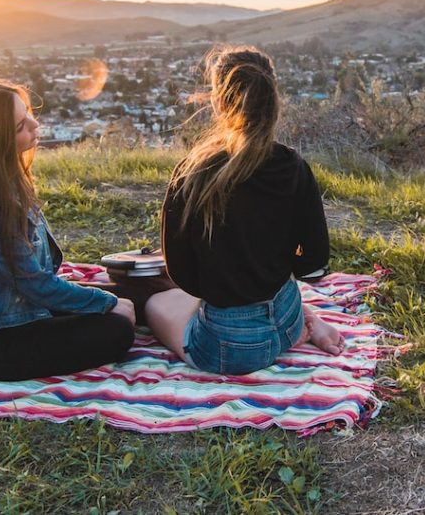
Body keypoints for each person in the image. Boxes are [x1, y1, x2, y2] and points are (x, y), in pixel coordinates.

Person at [145, 46, 344, 375]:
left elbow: (180, 272)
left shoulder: (193, 173)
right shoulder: (294, 166)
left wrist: (224, 278)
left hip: (231, 348)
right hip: (287, 316)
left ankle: (280, 333)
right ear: (271, 98)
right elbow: (314, 265)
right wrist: (270, 266)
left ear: (218, 102)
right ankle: (304, 325)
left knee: (157, 303)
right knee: (262, 299)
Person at [0, 80, 135, 381]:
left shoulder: (6, 182)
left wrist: (109, 300)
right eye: (22, 124)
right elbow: (35, 283)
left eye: (28, 115)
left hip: (19, 310)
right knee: (118, 328)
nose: (36, 125)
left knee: (131, 296)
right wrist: (107, 303)